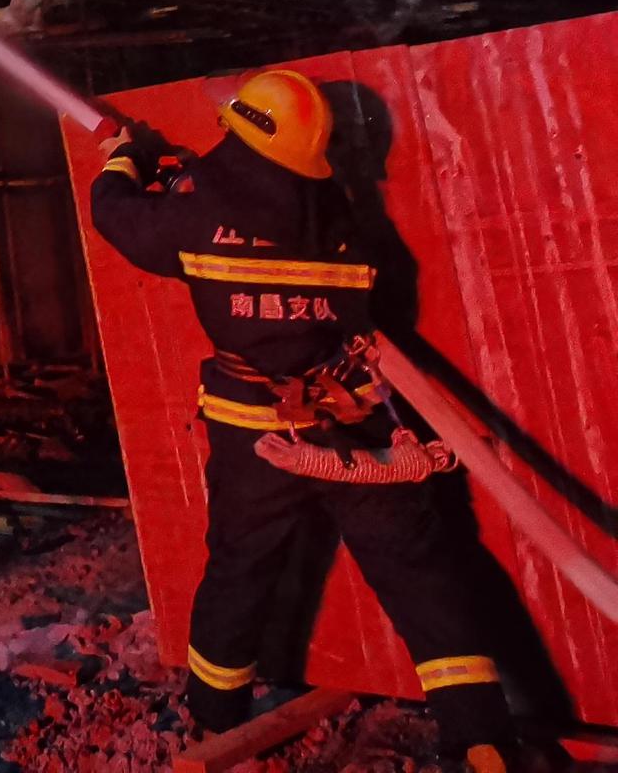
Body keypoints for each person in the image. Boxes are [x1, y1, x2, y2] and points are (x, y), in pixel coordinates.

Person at [90, 68, 515, 772]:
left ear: (243, 141)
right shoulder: (345, 226)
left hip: (254, 431)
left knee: (239, 570)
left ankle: (213, 720)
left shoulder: (194, 222)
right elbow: (271, 223)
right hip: (357, 422)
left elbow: (119, 216)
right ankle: (482, 739)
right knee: (420, 571)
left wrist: (124, 158)